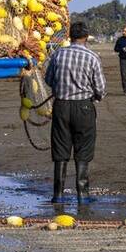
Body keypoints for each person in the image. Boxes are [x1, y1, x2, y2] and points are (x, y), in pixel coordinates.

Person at [44, 21, 106, 204]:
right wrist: (94, 97)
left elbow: (48, 79)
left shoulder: (58, 54)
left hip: (61, 106)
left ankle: (58, 194)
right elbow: (101, 88)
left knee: (61, 149)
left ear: (70, 36)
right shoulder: (92, 57)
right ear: (86, 37)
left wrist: (61, 88)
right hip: (83, 107)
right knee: (83, 149)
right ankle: (83, 194)